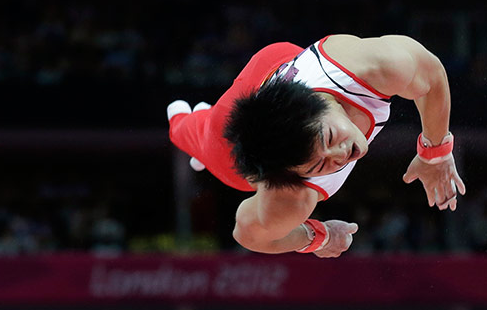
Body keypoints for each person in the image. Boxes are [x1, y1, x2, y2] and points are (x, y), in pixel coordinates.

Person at [167, 34, 466, 258]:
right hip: (256, 106)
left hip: (277, 60)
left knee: (217, 146)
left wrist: (435, 153)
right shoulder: (292, 195)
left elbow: (433, 75)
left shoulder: (374, 67)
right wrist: (317, 238)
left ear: (319, 103)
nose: (339, 157)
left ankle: (189, 121)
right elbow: (246, 233)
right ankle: (184, 122)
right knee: (215, 151)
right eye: (317, 167)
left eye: (329, 138)